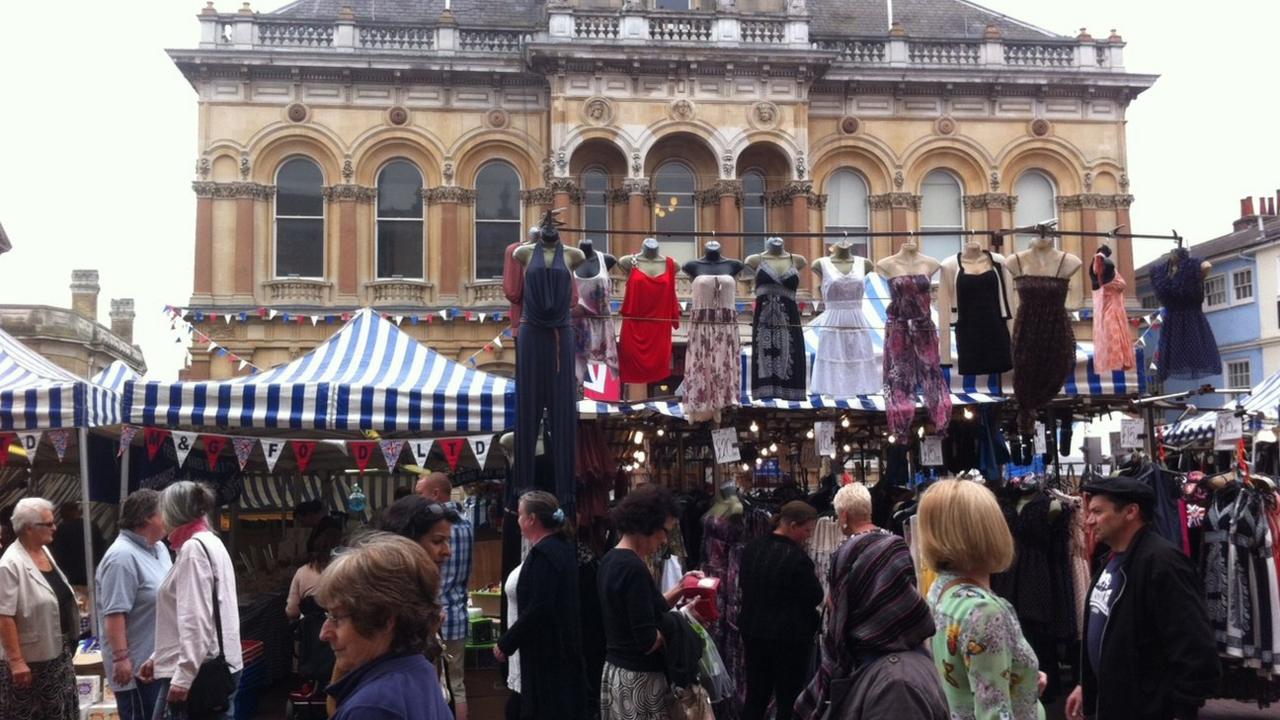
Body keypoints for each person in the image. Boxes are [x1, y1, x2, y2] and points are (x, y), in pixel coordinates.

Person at [1065, 476, 1219, 720]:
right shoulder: (1112, 559)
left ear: (1130, 512)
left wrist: (1182, 710)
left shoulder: (1163, 564)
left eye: (1097, 511)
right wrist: (1087, 685)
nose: (1089, 520)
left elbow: (1196, 647)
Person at [794, 505, 947, 720]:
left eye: (837, 588)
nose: (830, 600)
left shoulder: (895, 686)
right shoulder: (872, 662)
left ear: (859, 598)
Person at [918, 480, 1046, 720]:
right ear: (988, 529)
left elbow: (962, 681)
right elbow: (995, 714)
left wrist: (1024, 684)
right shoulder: (983, 611)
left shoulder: (941, 590)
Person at [317, 533, 453, 720]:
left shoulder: (372, 707)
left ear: (384, 618)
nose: (324, 634)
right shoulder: (418, 669)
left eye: (337, 617)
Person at [138, 481, 243, 720]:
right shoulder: (209, 542)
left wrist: (184, 677)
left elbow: (195, 620)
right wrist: (159, 657)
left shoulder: (193, 550)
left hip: (198, 672)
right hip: (209, 665)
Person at [598, 485, 701, 720]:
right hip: (640, 680)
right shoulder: (633, 568)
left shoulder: (611, 559)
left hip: (617, 672)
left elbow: (646, 609)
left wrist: (680, 588)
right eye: (664, 531)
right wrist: (684, 618)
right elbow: (647, 641)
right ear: (646, 525)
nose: (665, 540)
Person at [493, 491, 589, 719]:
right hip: (556, 654)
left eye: (520, 514)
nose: (517, 520)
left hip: (548, 657)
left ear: (532, 519)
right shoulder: (559, 549)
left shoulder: (547, 554)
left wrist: (507, 642)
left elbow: (540, 607)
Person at [738, 500, 824, 720]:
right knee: (788, 698)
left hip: (753, 633)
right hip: (789, 640)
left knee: (756, 696)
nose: (808, 535)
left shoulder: (752, 549)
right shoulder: (796, 558)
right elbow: (815, 596)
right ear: (793, 526)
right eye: (807, 530)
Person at [95, 489, 172, 720]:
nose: (169, 518)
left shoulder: (158, 548)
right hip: (137, 669)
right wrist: (121, 659)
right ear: (148, 518)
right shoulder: (122, 557)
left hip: (159, 660)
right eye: (164, 512)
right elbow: (115, 613)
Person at [0, 497, 80, 720]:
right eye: (49, 523)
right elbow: (4, 615)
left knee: (62, 711)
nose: (55, 527)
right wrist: (16, 661)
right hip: (32, 664)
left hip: (57, 654)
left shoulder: (44, 552)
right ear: (29, 528)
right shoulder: (10, 564)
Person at [416, 471, 474, 720]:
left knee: (431, 686)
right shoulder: (468, 524)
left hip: (431, 616)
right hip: (458, 615)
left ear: (436, 494)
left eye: (420, 493)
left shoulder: (430, 527)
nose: (418, 499)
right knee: (456, 684)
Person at [48, 500, 106, 586]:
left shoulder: (60, 530)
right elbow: (101, 549)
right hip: (90, 574)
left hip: (69, 577)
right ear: (77, 511)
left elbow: (56, 554)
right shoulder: (91, 525)